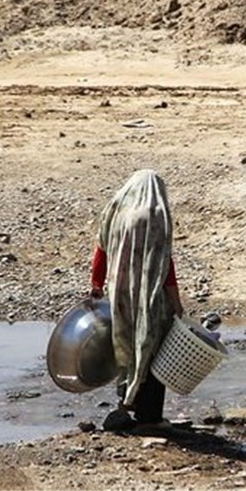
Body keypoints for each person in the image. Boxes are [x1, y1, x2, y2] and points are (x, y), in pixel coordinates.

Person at [89, 169, 184, 428]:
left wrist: (96, 284)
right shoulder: (156, 214)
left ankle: (127, 400)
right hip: (149, 293)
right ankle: (150, 416)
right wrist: (176, 303)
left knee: (125, 340)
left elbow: (101, 250)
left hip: (119, 290)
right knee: (151, 345)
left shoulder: (116, 210)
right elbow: (165, 264)